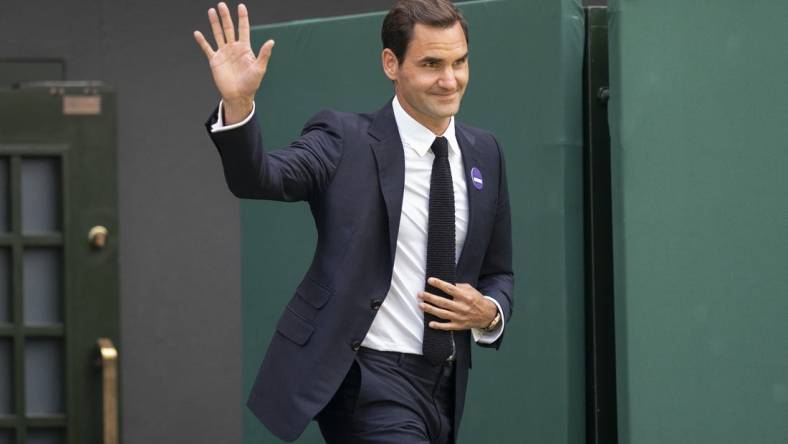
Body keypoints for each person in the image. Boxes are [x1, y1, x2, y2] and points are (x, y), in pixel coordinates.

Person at [193, 1, 513, 442]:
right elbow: (261, 178)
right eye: (431, 64)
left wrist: (489, 313)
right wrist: (238, 103)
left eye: (459, 62)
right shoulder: (343, 139)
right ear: (390, 64)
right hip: (367, 381)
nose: (449, 79)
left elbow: (499, 272)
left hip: (446, 385)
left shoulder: (486, 153)